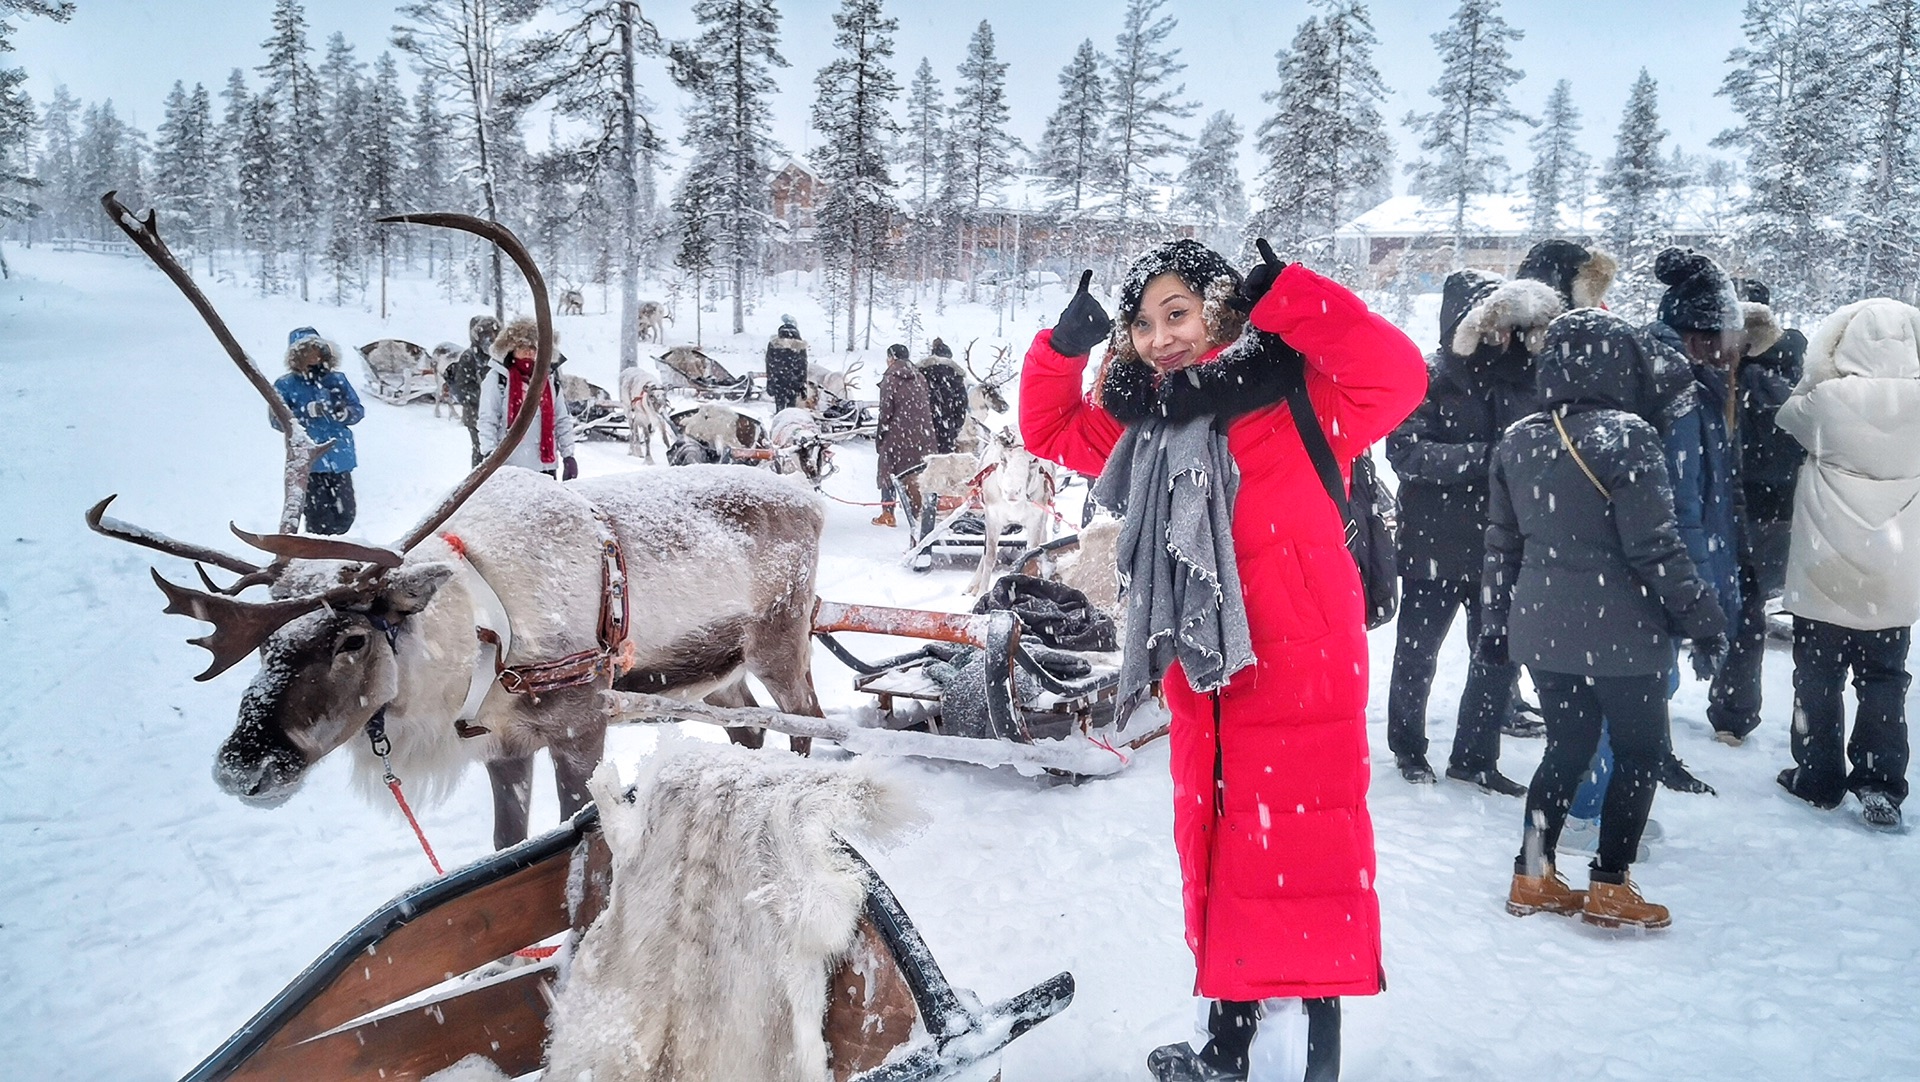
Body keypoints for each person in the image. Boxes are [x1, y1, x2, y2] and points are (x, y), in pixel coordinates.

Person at [1021, 239, 1426, 1081]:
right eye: (1142, 324)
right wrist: (1066, 346)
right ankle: (1229, 1047)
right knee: (1225, 856)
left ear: (1223, 308)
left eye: (1178, 313)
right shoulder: (1148, 425)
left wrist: (1296, 296)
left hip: (1299, 664)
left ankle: (1311, 1063)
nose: (1162, 337)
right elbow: (1050, 427)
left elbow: (1397, 376)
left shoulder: (1301, 395)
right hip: (1204, 670)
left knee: (1304, 861)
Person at [1485, 309, 1728, 930]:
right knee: (1641, 750)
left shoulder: (1518, 436)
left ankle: (1532, 874)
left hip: (1542, 624)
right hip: (1622, 626)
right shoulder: (1627, 435)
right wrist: (1702, 616)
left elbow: (1501, 545)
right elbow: (1655, 545)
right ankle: (1611, 885)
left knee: (1566, 748)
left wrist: (1496, 624)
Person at [1385, 267, 1561, 794]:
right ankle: (1409, 749)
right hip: (1432, 544)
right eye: (1493, 326)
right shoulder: (1430, 376)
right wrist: (1490, 460)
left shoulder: (1528, 377)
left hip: (1502, 549)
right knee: (1417, 655)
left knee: (1498, 659)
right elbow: (1407, 451)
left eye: (1509, 328)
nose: (1501, 339)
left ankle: (1476, 758)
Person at [1773, 297, 1920, 830]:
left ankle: (1817, 777)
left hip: (1826, 566)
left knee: (1818, 676)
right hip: (1895, 572)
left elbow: (1785, 416)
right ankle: (1880, 782)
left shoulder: (1828, 402)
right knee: (1884, 678)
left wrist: (1819, 368)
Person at [1708, 278, 1802, 744]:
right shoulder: (1794, 370)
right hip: (1780, 508)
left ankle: (1723, 703)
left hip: (1730, 503)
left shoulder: (1722, 371)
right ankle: (1735, 713)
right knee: (1750, 613)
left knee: (1732, 607)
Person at [270, 326, 364, 535]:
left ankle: (338, 551)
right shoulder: (285, 385)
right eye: (308, 350)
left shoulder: (337, 379)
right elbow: (276, 420)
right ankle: (319, 557)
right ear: (297, 355)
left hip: (340, 457)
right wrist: (305, 413)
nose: (315, 355)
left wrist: (345, 413)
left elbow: (358, 410)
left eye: (318, 349)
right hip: (310, 461)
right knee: (318, 517)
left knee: (346, 514)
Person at [477, 316, 576, 479]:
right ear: (511, 349)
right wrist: (489, 454)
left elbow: (561, 420)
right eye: (522, 346)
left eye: (533, 347)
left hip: (545, 466)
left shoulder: (549, 380)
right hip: (510, 466)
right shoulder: (498, 379)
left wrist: (569, 455)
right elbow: (488, 420)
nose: (529, 352)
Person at [873, 343, 937, 530]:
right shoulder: (920, 377)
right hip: (923, 434)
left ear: (891, 358)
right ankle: (920, 511)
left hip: (897, 432)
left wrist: (881, 436)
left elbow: (886, 411)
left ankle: (888, 513)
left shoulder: (891, 378)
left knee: (888, 470)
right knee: (916, 472)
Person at [447, 314, 499, 466]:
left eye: (494, 333)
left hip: (497, 413)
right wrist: (487, 397)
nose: (491, 337)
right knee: (481, 452)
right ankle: (477, 483)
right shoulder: (469, 357)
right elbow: (463, 388)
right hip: (476, 414)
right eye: (486, 333)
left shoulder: (499, 355)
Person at [920, 337, 971, 454]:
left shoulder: (921, 373)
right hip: (946, 427)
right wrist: (955, 426)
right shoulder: (956, 376)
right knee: (944, 461)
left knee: (922, 464)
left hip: (924, 425)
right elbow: (962, 404)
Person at [765, 316, 809, 411]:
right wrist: (803, 387)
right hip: (794, 383)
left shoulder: (774, 344)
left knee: (779, 407)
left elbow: (769, 364)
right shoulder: (799, 347)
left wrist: (769, 382)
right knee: (791, 409)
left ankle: (780, 420)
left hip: (778, 382)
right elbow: (803, 367)